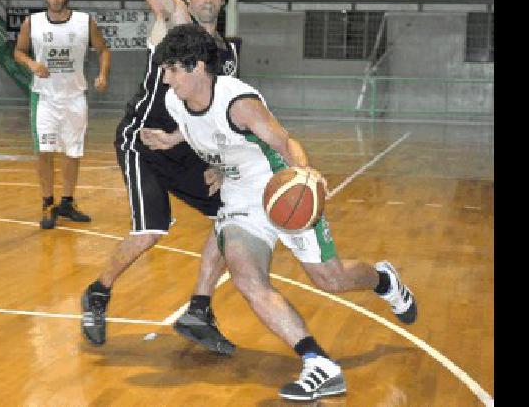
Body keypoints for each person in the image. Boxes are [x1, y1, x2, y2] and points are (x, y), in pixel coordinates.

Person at [141, 23, 417, 401]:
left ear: (199, 67)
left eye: (172, 69)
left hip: (280, 189)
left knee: (330, 278)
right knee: (245, 274)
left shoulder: (239, 102)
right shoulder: (175, 101)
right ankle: (318, 362)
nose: (166, 78)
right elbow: (197, 128)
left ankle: (384, 280)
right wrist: (173, 139)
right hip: (240, 200)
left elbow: (286, 142)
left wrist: (304, 175)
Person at [80, 0, 239, 355]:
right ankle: (98, 292)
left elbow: (219, 117)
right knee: (151, 229)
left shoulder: (226, 55)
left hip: (184, 149)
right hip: (143, 141)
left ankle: (199, 308)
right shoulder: (173, 19)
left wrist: (213, 160)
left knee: (231, 217)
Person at [13, 0, 111, 229]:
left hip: (75, 97)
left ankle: (67, 202)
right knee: (44, 151)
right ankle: (47, 202)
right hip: (45, 97)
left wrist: (102, 74)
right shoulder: (32, 22)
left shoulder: (83, 22)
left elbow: (103, 49)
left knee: (72, 151)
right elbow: (18, 51)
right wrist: (32, 63)